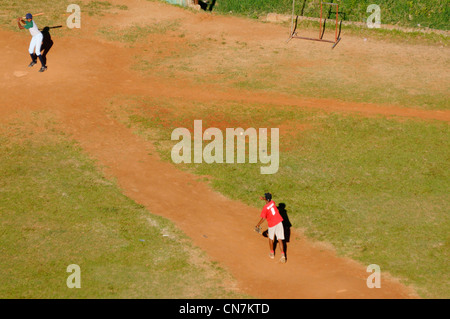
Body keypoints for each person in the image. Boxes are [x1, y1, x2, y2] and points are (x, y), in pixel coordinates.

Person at [255, 193, 286, 263]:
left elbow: (263, 218)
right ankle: (283, 255)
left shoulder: (265, 208)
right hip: (279, 222)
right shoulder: (273, 202)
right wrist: (264, 198)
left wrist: (258, 225)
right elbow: (269, 200)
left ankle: (272, 253)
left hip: (272, 224)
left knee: (271, 238)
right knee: (280, 239)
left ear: (266, 199)